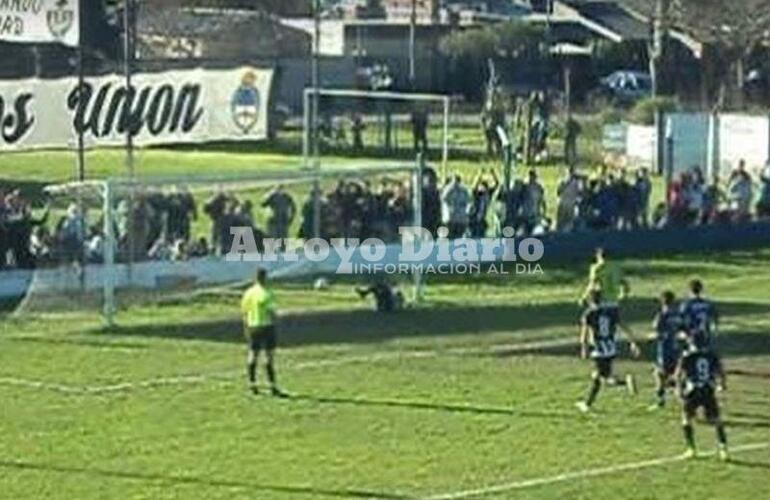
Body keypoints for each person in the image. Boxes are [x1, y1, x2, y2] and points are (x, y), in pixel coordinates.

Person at [576, 289, 641, 413]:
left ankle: (587, 404)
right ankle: (625, 383)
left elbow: (584, 334)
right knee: (605, 377)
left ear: (590, 300)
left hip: (599, 349)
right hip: (611, 348)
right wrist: (633, 342)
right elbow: (624, 326)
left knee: (598, 377)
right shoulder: (610, 312)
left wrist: (583, 348)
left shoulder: (588, 314)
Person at [675, 335, 729, 460]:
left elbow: (678, 374)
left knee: (686, 419)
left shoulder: (687, 356)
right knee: (716, 420)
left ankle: (691, 449)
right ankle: (723, 448)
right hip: (708, 389)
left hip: (692, 390)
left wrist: (678, 389)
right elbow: (720, 370)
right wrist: (722, 384)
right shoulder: (711, 355)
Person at [240, 268, 286, 397]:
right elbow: (271, 312)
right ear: (265, 278)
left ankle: (252, 384)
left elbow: (244, 311)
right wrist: (277, 322)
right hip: (266, 326)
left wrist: (247, 325)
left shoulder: (248, 293)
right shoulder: (267, 293)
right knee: (269, 357)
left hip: (252, 327)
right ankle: (273, 386)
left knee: (252, 355)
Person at [649, 290, 683, 409]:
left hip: (664, 350)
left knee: (659, 374)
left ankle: (661, 401)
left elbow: (657, 330)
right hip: (676, 348)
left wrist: (652, 337)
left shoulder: (662, 316)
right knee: (675, 375)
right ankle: (680, 398)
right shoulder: (677, 315)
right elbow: (682, 330)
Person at [679, 279, 719, 351]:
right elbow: (714, 317)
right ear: (701, 289)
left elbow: (680, 319)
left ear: (689, 290)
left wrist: (682, 332)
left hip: (691, 333)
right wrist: (715, 328)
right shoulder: (707, 303)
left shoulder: (686, 304)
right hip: (705, 333)